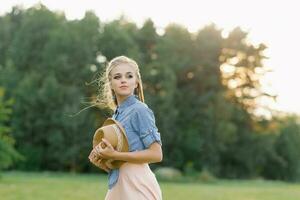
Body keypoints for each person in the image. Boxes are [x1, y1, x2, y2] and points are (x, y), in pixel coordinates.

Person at [89, 55, 163, 200]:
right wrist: (103, 160)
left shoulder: (140, 110)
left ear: (136, 82)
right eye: (117, 77)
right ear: (110, 83)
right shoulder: (116, 115)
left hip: (138, 185)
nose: (123, 80)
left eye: (129, 76)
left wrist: (115, 156)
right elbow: (120, 163)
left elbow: (156, 154)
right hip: (119, 186)